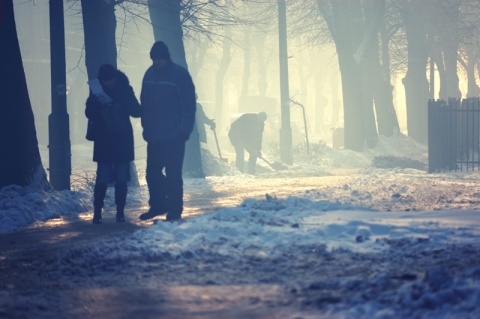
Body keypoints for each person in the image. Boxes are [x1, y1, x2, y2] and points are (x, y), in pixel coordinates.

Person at [139, 41, 196, 222]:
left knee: (173, 174)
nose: (157, 62)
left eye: (160, 59)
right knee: (152, 173)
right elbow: (145, 103)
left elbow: (189, 104)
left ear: (166, 58)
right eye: (154, 59)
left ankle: (174, 210)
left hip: (174, 135)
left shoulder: (179, 75)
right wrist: (146, 127)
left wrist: (184, 130)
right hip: (155, 135)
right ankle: (158, 205)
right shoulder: (149, 74)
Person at [85, 64, 142, 224]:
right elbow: (89, 112)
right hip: (117, 140)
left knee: (117, 178)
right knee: (110, 177)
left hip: (108, 140)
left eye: (110, 80)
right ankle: (100, 212)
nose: (108, 83)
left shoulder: (121, 89)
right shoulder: (101, 90)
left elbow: (135, 110)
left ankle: (118, 212)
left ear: (115, 78)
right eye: (106, 81)